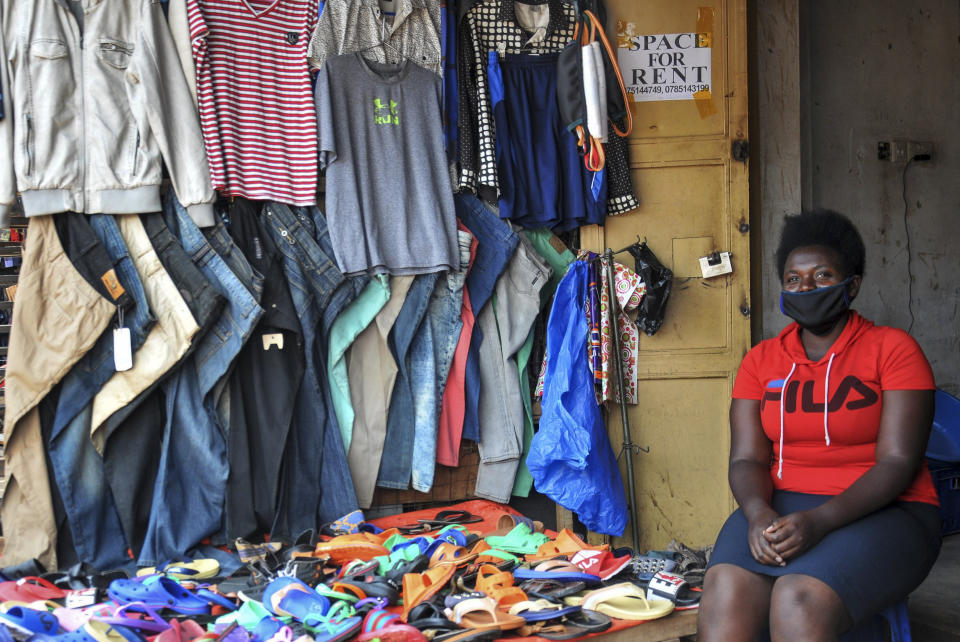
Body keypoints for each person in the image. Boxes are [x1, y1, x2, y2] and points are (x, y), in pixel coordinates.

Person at [698, 209, 942, 641]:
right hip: (778, 505)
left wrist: (821, 521)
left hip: (888, 510)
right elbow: (747, 457)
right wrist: (757, 516)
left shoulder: (893, 350)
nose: (806, 287)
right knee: (724, 592)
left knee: (798, 599)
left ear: (854, 284)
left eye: (822, 276)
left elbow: (898, 462)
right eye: (794, 279)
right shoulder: (760, 361)